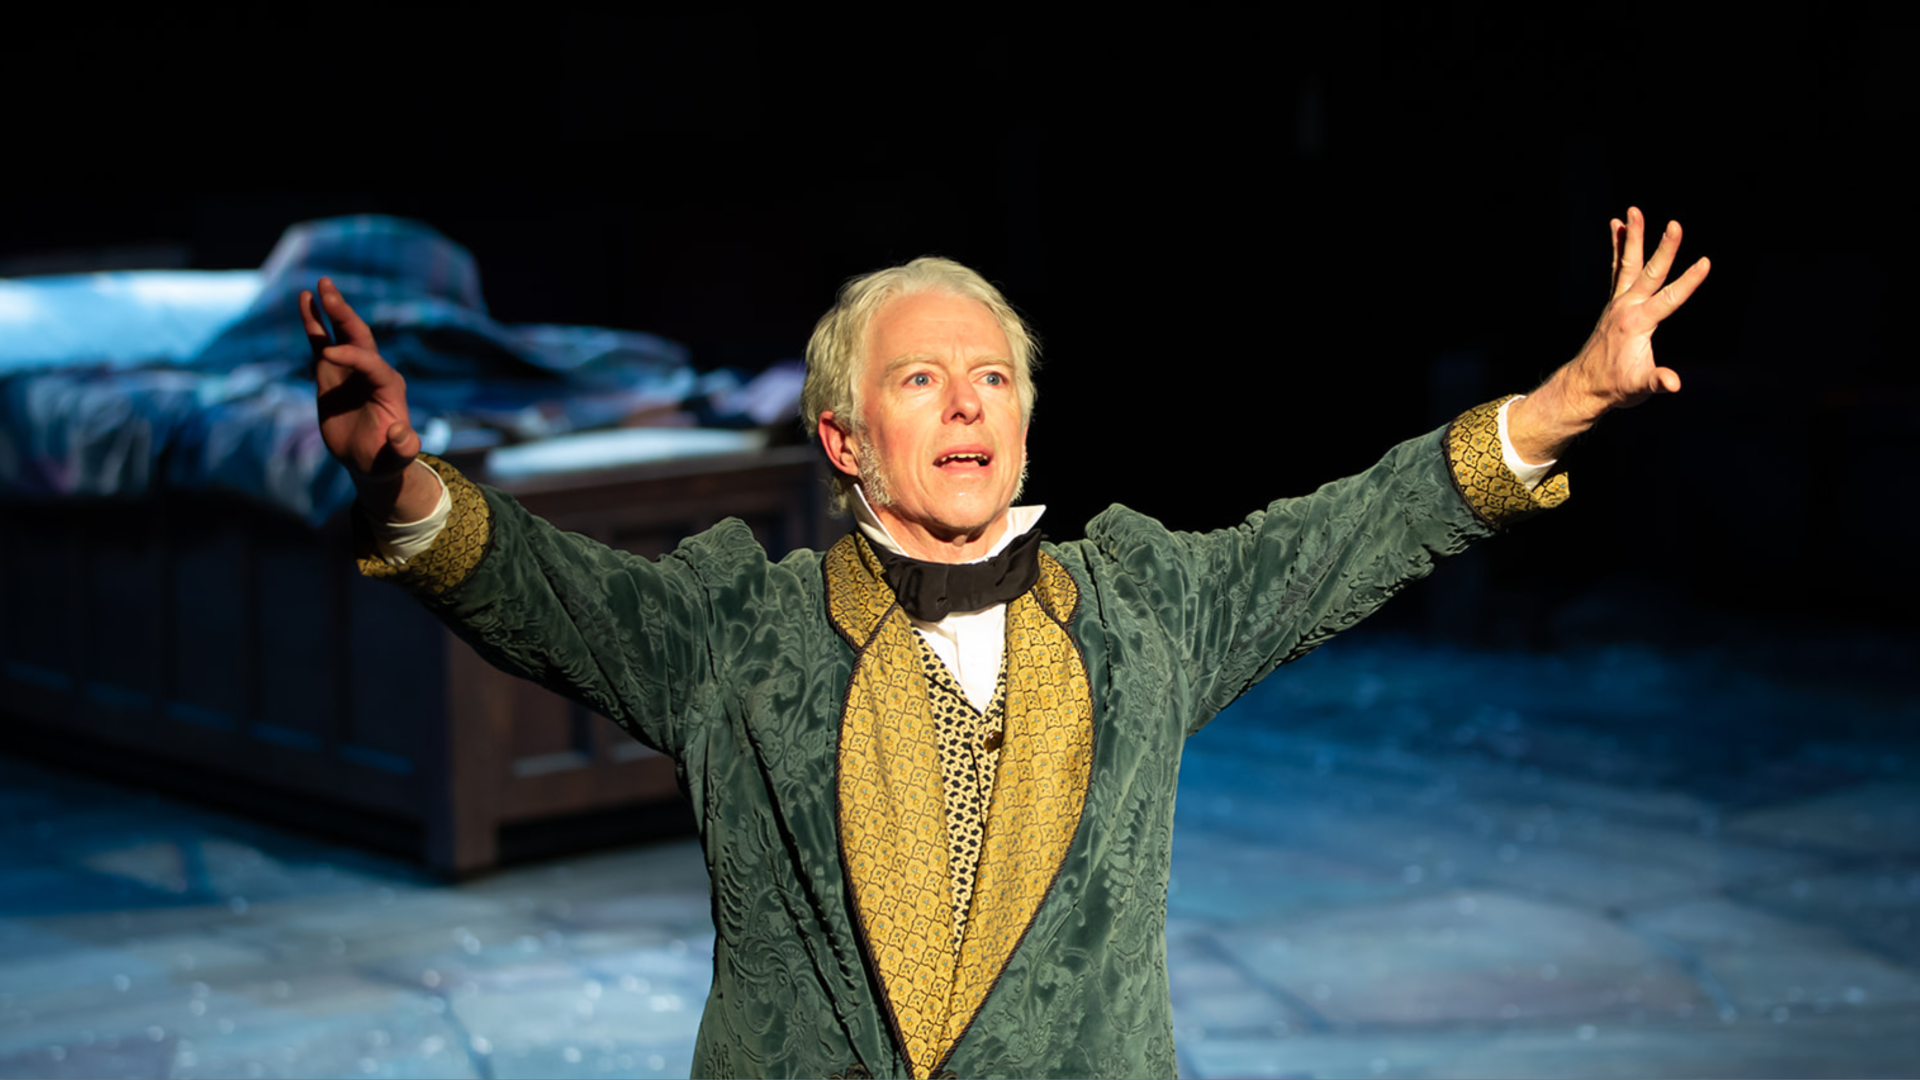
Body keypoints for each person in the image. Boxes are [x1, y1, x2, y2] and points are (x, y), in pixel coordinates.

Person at [302, 208, 1707, 1079]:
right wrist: (398, 480)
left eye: (992, 380)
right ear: (846, 438)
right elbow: (542, 592)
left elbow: (1360, 529)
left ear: (1026, 426)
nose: (967, 404)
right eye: (922, 379)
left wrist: (1572, 397)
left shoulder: (1144, 611)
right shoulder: (742, 630)